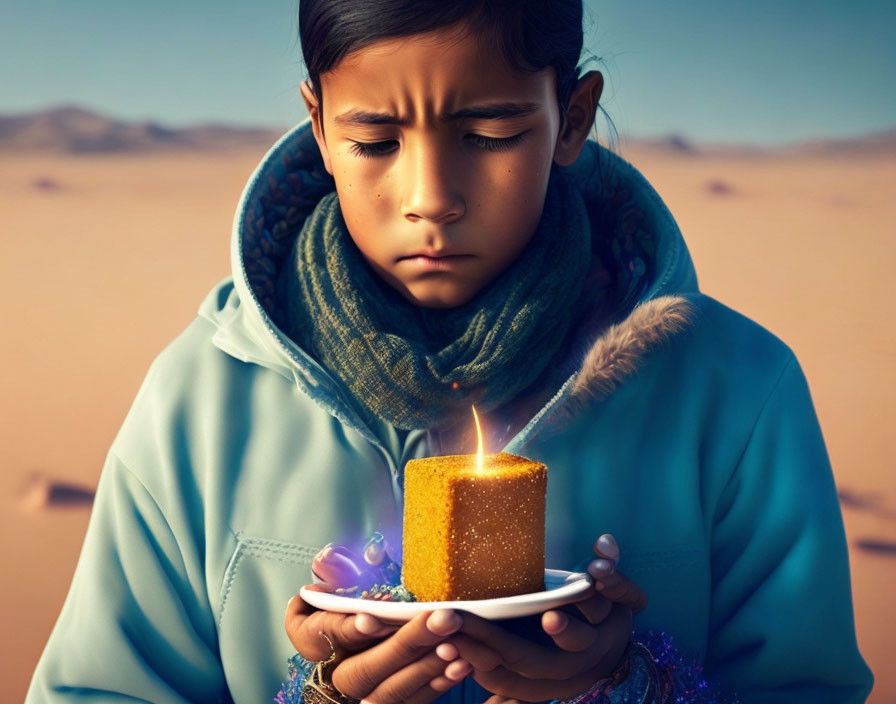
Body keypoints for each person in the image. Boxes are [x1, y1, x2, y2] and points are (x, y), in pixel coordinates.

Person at [27, 1, 873, 703]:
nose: (431, 200)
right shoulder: (200, 398)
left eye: (491, 134)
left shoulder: (735, 392)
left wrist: (629, 685)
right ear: (318, 125)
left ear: (571, 118)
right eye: (375, 142)